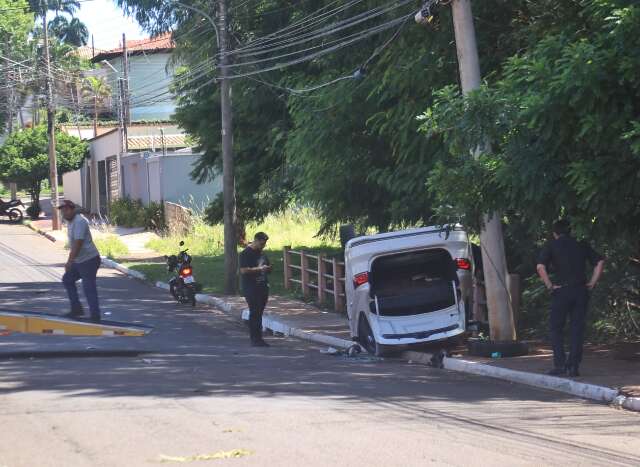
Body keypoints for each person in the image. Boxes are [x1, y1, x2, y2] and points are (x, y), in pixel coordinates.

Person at [536, 220, 605, 377]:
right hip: (581, 290)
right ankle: (573, 366)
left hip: (561, 291)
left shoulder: (552, 245)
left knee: (556, 328)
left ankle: (560, 365)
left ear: (555, 233)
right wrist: (591, 283)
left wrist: (550, 286)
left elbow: (540, 266)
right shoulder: (581, 244)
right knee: (577, 329)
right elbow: (600, 262)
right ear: (570, 231)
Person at [59, 200, 102, 322]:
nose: (64, 213)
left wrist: (69, 262)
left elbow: (78, 243)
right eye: (62, 211)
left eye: (66, 210)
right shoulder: (71, 222)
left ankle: (95, 315)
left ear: (72, 209)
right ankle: (77, 309)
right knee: (67, 279)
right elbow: (74, 245)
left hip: (89, 260)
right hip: (80, 260)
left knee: (88, 287)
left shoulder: (79, 221)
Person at [239, 232, 272, 347]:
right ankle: (255, 338)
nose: (263, 246)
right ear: (256, 240)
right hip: (251, 288)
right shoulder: (246, 254)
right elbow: (244, 270)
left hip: (263, 287)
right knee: (255, 312)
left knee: (260, 312)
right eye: (261, 243)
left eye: (265, 244)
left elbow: (268, 266)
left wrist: (268, 269)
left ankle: (259, 337)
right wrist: (259, 269)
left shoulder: (262, 254)